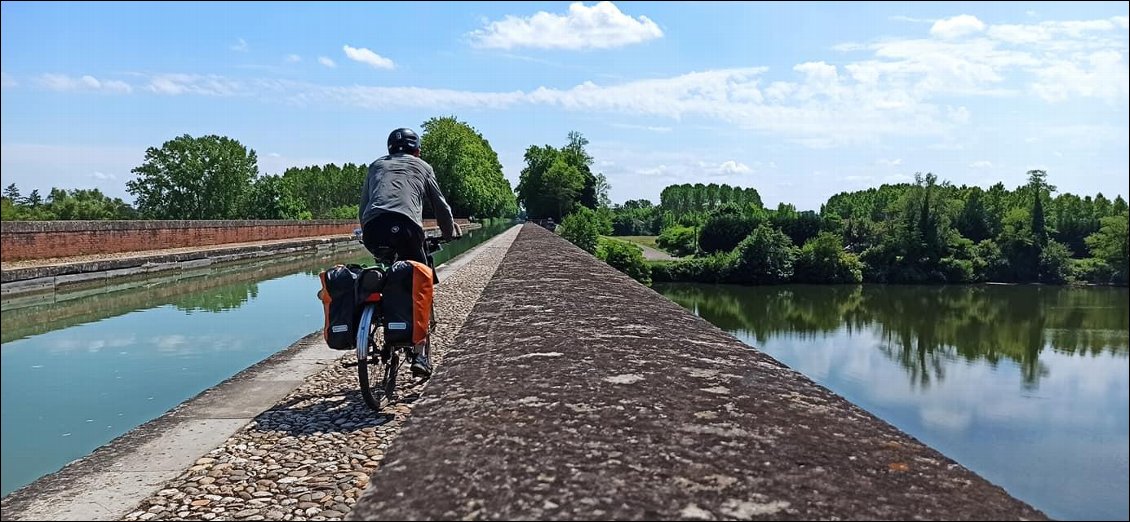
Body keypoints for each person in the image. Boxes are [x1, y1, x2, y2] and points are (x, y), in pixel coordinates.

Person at [359, 127, 459, 378]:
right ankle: (420, 354)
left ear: (389, 149)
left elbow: (363, 208)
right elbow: (441, 206)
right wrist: (449, 233)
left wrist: (368, 236)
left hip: (373, 230)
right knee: (420, 281)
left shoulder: (375, 166)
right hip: (406, 228)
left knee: (386, 273)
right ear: (417, 151)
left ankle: (378, 317)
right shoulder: (422, 166)